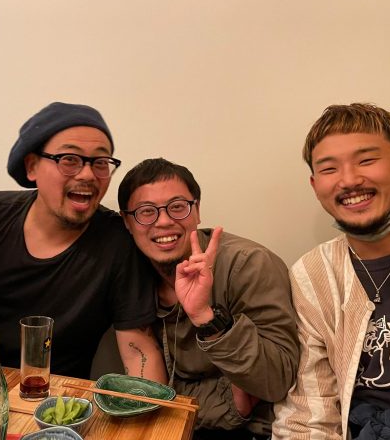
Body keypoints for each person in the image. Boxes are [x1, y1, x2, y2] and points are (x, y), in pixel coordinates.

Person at [0, 102, 166, 380]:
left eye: (100, 162)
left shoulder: (118, 243)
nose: (88, 174)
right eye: (69, 159)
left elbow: (138, 351)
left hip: (59, 397)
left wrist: (149, 407)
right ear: (31, 166)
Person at [272, 103, 390, 439]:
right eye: (329, 169)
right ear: (314, 184)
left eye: (366, 160)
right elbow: (309, 409)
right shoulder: (313, 273)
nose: (349, 180)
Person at [117, 158, 299, 440]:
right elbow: (147, 392)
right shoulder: (130, 273)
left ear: (197, 210)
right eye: (146, 211)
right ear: (127, 222)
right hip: (173, 426)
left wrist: (206, 317)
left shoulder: (248, 265)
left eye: (178, 207)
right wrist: (230, 400)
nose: (164, 221)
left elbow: (277, 381)